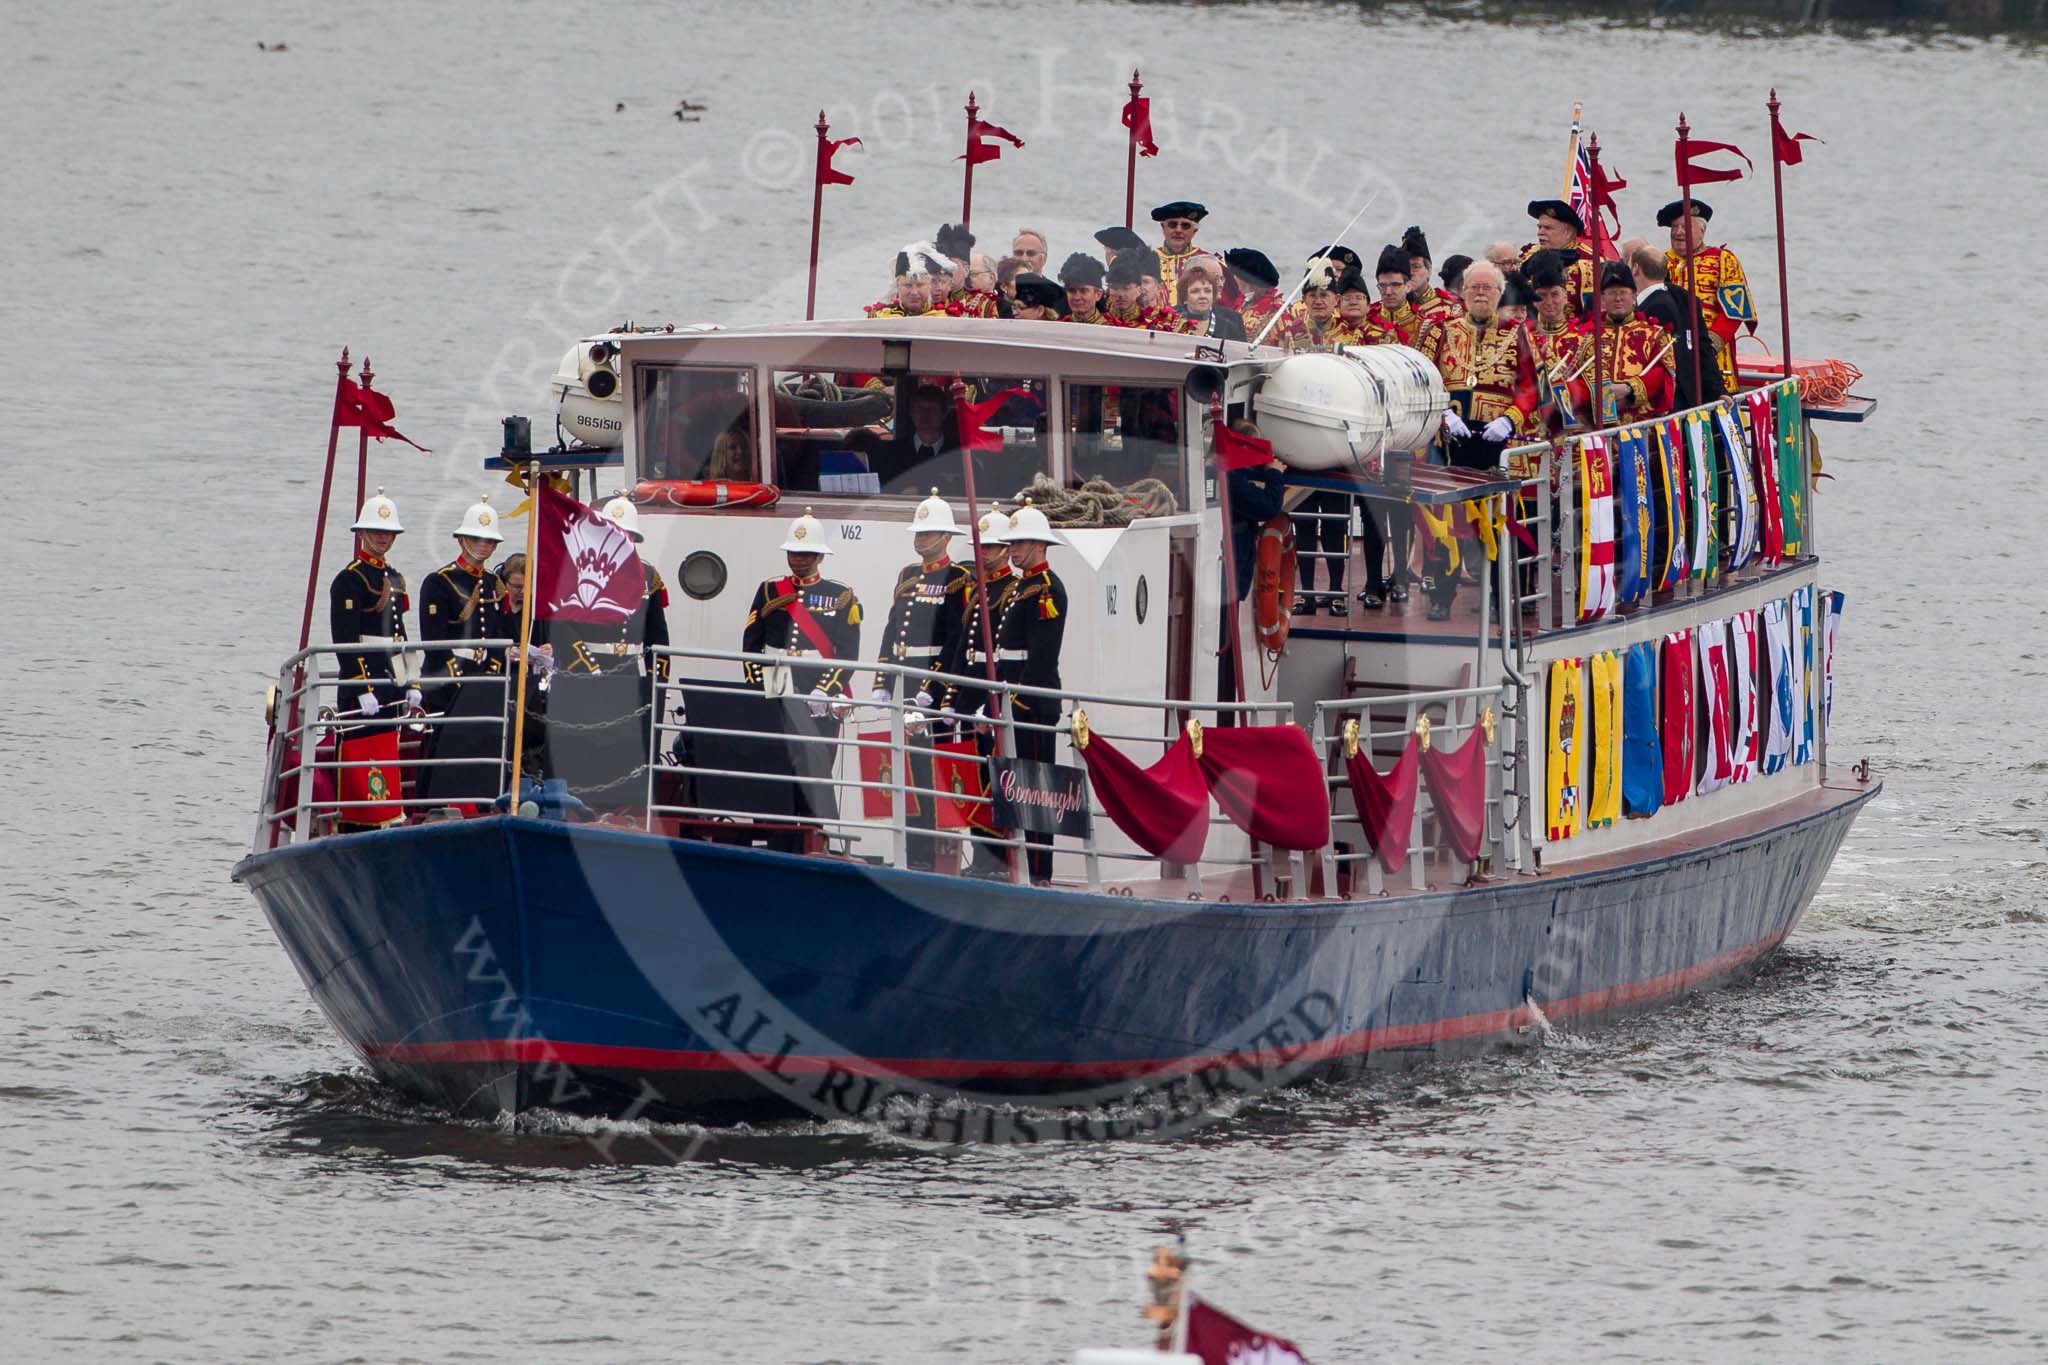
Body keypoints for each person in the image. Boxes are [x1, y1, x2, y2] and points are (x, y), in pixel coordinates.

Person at [869, 490, 973, 870]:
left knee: (935, 776)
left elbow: (955, 641)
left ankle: (933, 857)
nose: (921, 539)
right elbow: (893, 627)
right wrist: (882, 678)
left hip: (936, 688)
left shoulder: (959, 578)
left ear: (947, 537)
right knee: (906, 776)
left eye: (929, 534)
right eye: (919, 533)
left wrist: (934, 690)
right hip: (905, 683)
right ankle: (911, 855)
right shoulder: (907, 575)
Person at [993, 501, 1068, 883]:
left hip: (1031, 702)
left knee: (1037, 788)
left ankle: (1040, 870)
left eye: (1021, 542)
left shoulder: (1047, 589)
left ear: (1040, 546)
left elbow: (1041, 657)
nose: (1014, 549)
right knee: (1015, 784)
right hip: (1011, 698)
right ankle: (1019, 863)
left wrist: (1017, 698)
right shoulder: (1023, 585)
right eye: (1013, 543)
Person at [951, 505, 1019, 876]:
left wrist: (990, 706)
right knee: (973, 781)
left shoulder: (1011, 589)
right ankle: (979, 857)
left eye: (991, 548)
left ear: (1006, 550)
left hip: (990, 697)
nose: (984, 554)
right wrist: (954, 696)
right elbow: (966, 644)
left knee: (994, 781)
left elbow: (1005, 650)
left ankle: (995, 858)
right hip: (972, 693)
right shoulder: (979, 589)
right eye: (981, 548)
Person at [740, 509, 862, 710]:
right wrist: (758, 683)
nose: (798, 559)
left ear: (820, 557)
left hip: (816, 678)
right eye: (793, 553)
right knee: (774, 738)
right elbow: (751, 644)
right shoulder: (769, 590)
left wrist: (825, 689)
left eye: (805, 554)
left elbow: (848, 652)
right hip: (775, 677)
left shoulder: (840, 595)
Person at [331, 486, 420, 721]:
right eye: (376, 531)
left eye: (388, 532)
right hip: (366, 677)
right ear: (362, 533)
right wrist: (361, 688)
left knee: (391, 749)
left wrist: (412, 680)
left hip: (394, 677)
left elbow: (400, 634)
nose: (383, 537)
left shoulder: (395, 577)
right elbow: (345, 641)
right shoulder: (349, 579)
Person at [417, 493, 508, 710]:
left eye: (489, 541)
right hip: (446, 679)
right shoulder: (440, 581)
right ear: (461, 539)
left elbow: (496, 635)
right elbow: (434, 642)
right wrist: (456, 678)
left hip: (481, 675)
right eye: (476, 539)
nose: (483, 545)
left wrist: (491, 671)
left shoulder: (493, 582)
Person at [1219, 419, 1286, 705]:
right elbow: (1269, 506)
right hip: (1231, 569)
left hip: (1232, 565)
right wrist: (1274, 475)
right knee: (1223, 628)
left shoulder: (1230, 474)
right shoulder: (1234, 481)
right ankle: (1222, 694)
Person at [1566, 260, 1677, 428]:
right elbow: (1572, 373)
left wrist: (1628, 389)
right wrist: (1596, 394)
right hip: (1593, 426)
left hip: (1640, 426)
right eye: (1612, 293)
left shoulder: (1653, 334)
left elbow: (1661, 376)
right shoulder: (1585, 334)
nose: (1618, 298)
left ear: (1634, 297)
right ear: (1602, 299)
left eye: (1623, 292)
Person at [1659, 199, 1754, 392]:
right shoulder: (1660, 260)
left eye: (1685, 226)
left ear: (1702, 231)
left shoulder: (1722, 259)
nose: (1678, 232)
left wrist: (1706, 348)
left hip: (1711, 353)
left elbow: (1735, 311)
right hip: (1667, 351)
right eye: (1674, 227)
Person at [1630, 244, 1725, 410]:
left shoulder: (1656, 306)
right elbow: (1703, 347)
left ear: (1636, 269)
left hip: (1669, 400)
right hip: (1689, 395)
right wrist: (1718, 390)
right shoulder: (1682, 298)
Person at [1520, 199, 1597, 315]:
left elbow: (1594, 313)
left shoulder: (1591, 263)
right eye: (1539, 227)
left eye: (1548, 228)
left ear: (1568, 232)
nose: (1540, 232)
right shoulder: (1527, 256)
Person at [1149, 200, 1218, 304]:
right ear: (1163, 227)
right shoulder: (1144, 260)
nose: (1178, 230)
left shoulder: (1210, 263)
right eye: (1172, 224)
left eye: (1185, 226)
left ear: (1194, 231)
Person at [1102, 249, 1189, 331]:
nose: (1140, 287)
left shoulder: (1173, 322)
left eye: (1145, 281)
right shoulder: (1103, 315)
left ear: (1159, 287)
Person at [1401, 226, 1466, 325]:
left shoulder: (1452, 309)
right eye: (1405, 266)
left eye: (1416, 267)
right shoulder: (1392, 306)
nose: (1410, 272)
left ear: (1429, 270)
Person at [1364, 245, 1422, 344]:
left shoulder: (1423, 326)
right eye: (1382, 285)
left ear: (1408, 286)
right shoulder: (1365, 324)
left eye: (1395, 285)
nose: (1388, 292)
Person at [1176, 258, 1246, 341]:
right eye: (1195, 291)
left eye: (1207, 291)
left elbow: (1240, 352)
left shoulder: (1230, 324)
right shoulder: (1167, 318)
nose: (1202, 296)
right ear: (1184, 295)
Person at [1226, 248, 1285, 341]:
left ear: (1247, 281)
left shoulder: (1275, 310)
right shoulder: (1243, 303)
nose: (1234, 278)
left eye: (1237, 275)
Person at [1058, 253, 1109, 324]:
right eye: (1072, 291)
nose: (1077, 297)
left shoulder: (1115, 329)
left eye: (1083, 291)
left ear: (1098, 295)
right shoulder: (1058, 327)